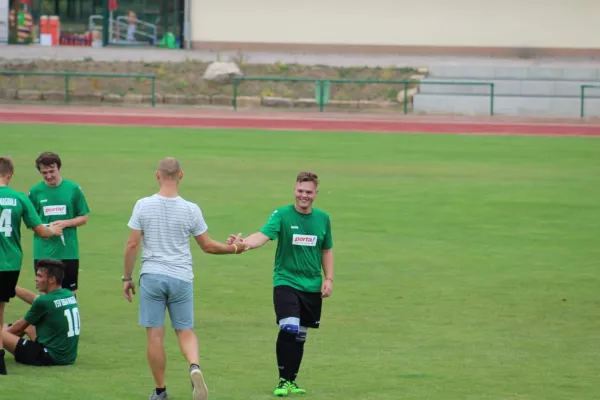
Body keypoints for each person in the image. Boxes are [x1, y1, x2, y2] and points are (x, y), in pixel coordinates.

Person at [122, 157, 248, 400]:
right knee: (185, 330)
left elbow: (132, 244)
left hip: (153, 276)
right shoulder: (191, 209)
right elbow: (208, 246)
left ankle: (160, 391)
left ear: (157, 175)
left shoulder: (143, 205)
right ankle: (194, 367)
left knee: (155, 335)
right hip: (181, 277)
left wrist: (126, 277)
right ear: (181, 175)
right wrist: (234, 249)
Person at [227, 171, 334, 396]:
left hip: (312, 285)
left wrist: (329, 278)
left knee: (300, 335)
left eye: (308, 192)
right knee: (289, 327)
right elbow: (263, 235)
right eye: (300, 191)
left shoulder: (323, 218)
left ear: (315, 194)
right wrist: (243, 244)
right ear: (294, 190)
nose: (303, 195)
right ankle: (282, 382)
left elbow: (326, 249)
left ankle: (290, 381)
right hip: (286, 281)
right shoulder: (282, 215)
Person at [0, 156, 63, 375]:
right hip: (10, 262)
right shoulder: (18, 198)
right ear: (10, 174)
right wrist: (53, 230)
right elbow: (41, 231)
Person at [29, 151, 90, 296]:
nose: (49, 176)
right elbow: (30, 221)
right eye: (44, 172)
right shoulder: (35, 192)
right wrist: (48, 230)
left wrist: (65, 223)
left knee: (69, 293)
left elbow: (83, 217)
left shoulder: (73, 189)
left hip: (68, 252)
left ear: (59, 169)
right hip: (43, 252)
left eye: (52, 171)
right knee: (45, 293)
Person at [1, 259, 80, 368]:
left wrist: (4, 335)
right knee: (28, 325)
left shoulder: (44, 302)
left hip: (48, 356)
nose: (35, 279)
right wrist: (9, 284)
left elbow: (18, 328)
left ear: (51, 279)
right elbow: (33, 298)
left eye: (39, 276)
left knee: (2, 331)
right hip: (68, 356)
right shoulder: (68, 294)